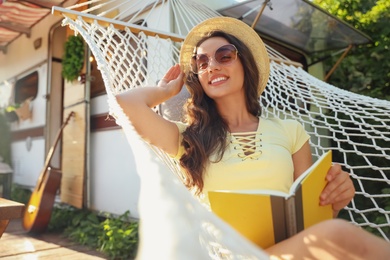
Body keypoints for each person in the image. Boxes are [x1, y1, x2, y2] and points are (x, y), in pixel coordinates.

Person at [116, 17, 390, 259]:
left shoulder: (290, 130)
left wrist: (333, 202)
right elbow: (124, 105)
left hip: (289, 251)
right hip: (227, 255)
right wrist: (164, 91)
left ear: (245, 64)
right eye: (202, 62)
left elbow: (311, 220)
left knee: (334, 235)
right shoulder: (189, 137)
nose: (212, 66)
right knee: (336, 237)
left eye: (224, 55)